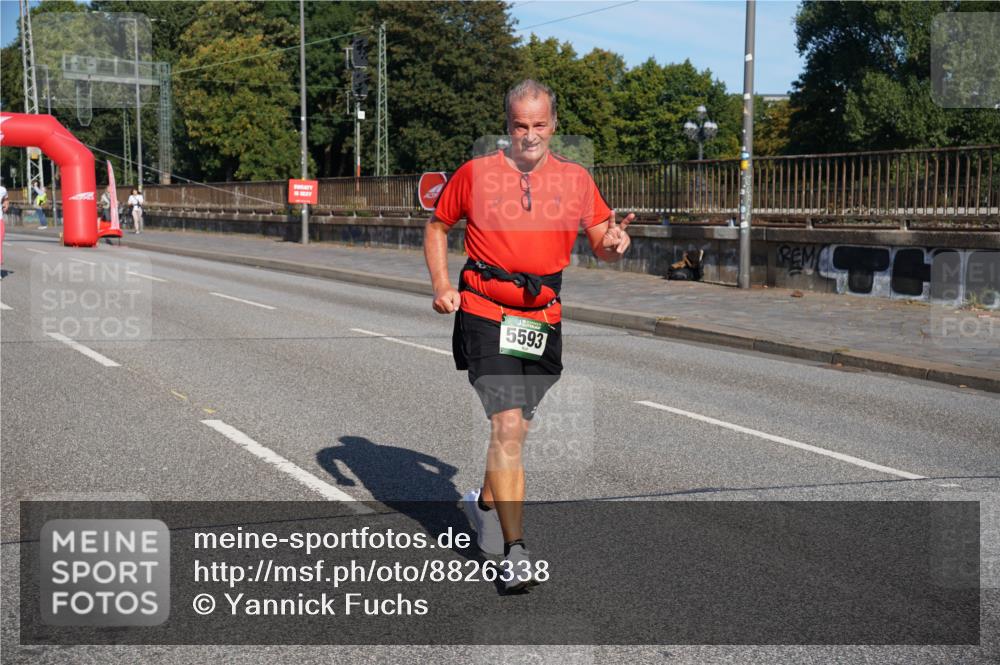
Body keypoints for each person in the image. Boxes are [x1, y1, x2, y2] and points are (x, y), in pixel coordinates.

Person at [423, 79, 632, 592]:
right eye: (520, 125)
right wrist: (442, 285)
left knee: (518, 430)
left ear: (553, 125)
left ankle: (487, 502)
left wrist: (615, 241)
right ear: (507, 126)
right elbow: (436, 227)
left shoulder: (577, 179)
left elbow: (602, 242)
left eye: (539, 125)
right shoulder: (476, 174)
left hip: (541, 318)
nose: (530, 134)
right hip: (484, 308)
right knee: (508, 425)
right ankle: (516, 553)